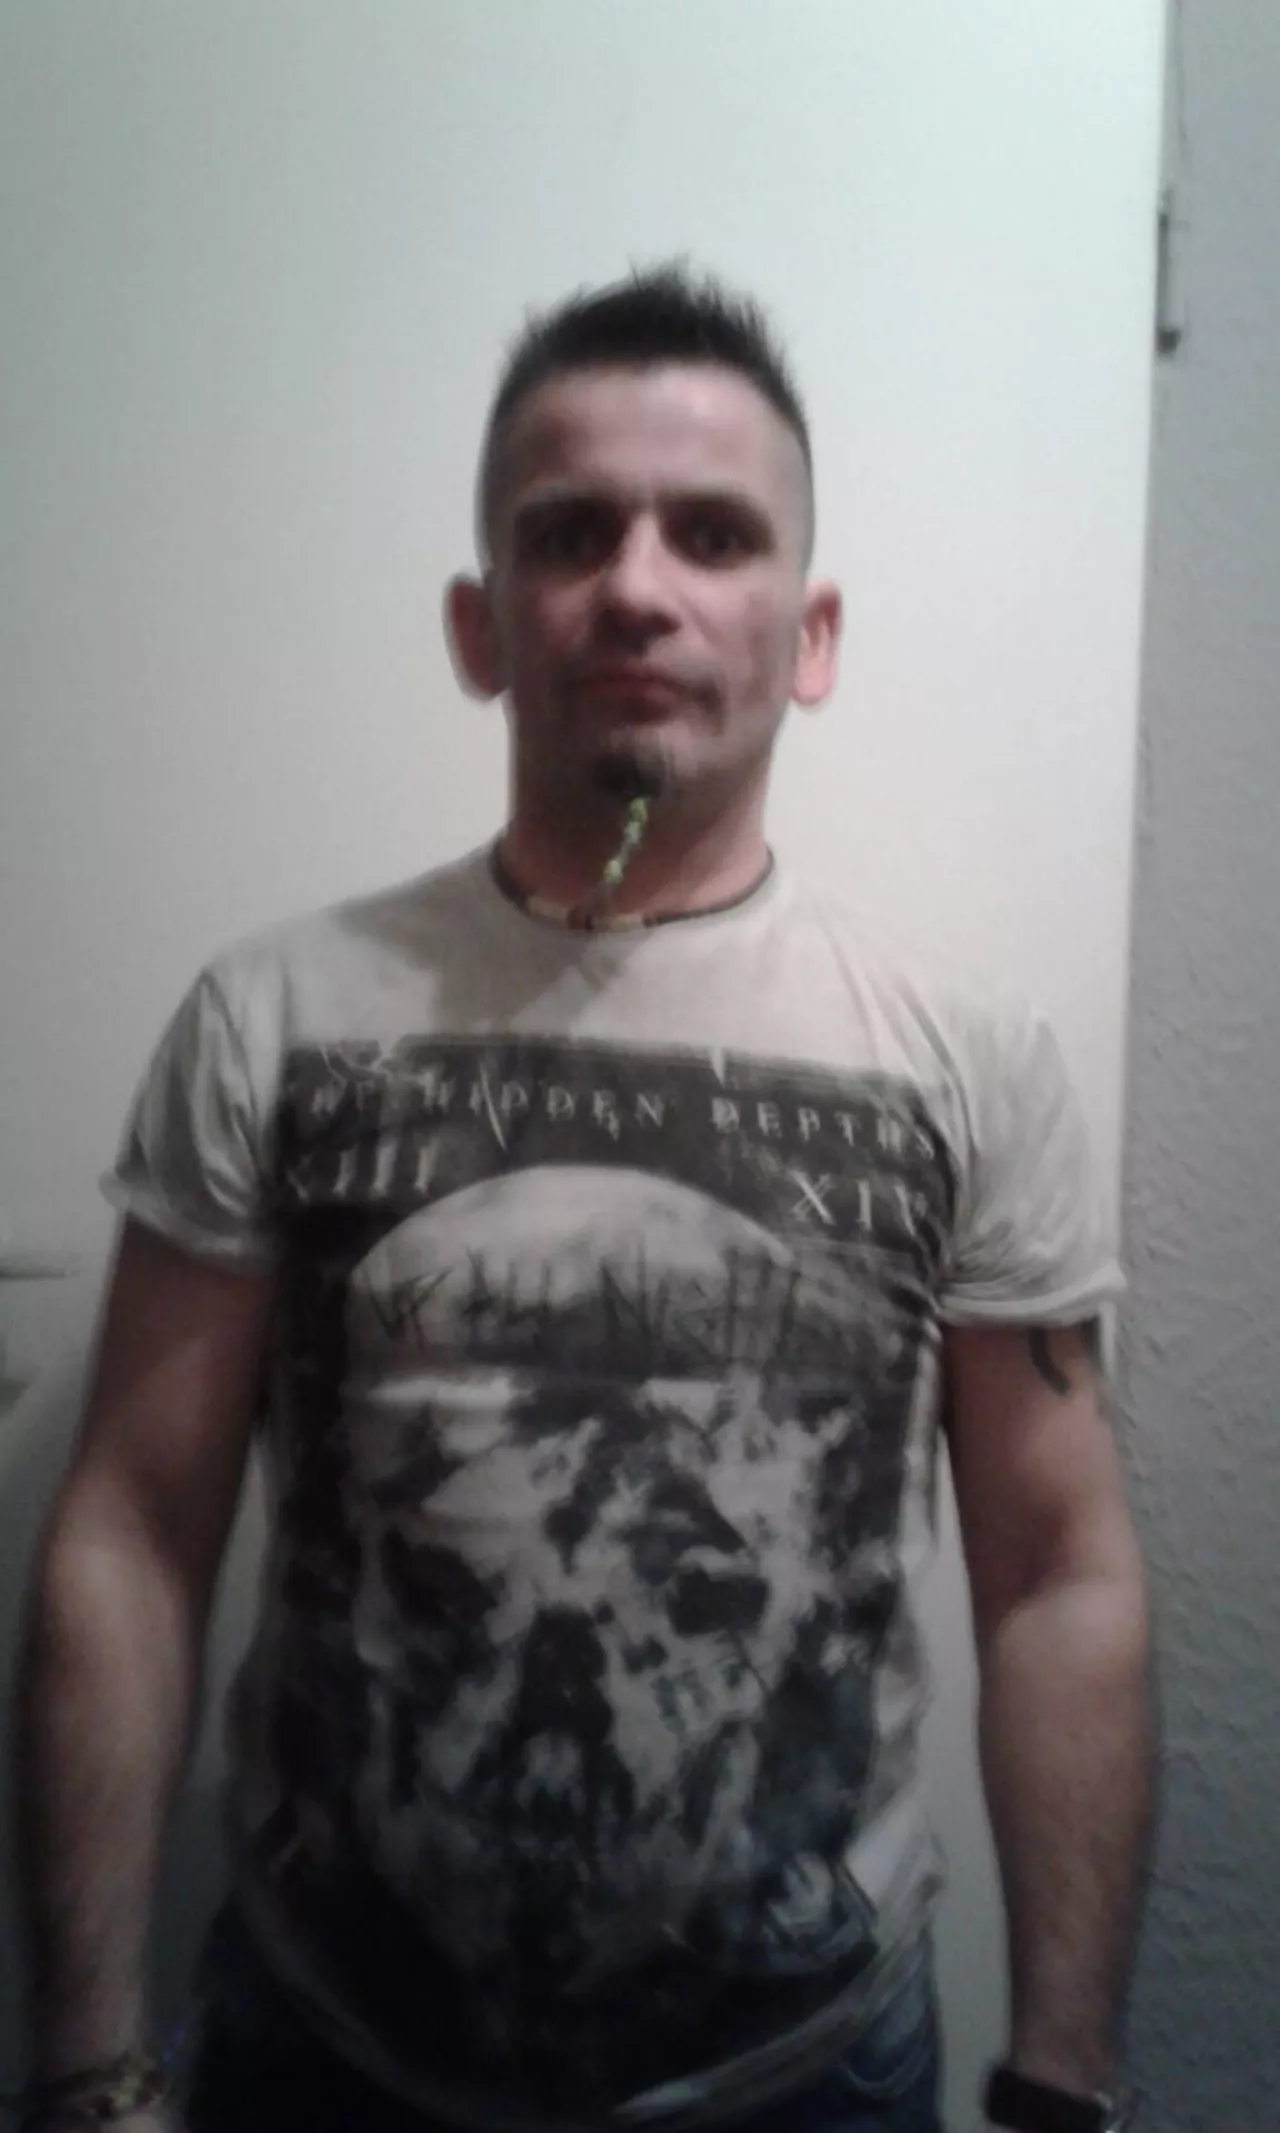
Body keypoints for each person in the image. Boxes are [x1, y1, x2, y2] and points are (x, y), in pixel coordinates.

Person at [12, 267, 1151, 2133]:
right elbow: (130, 1536)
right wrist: (84, 2067)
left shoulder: (966, 1057)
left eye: (715, 534)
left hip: (810, 2073)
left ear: (811, 634)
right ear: (482, 626)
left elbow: (1060, 1582)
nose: (638, 585)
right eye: (571, 532)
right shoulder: (275, 1018)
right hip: (325, 2056)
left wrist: (1066, 2079)